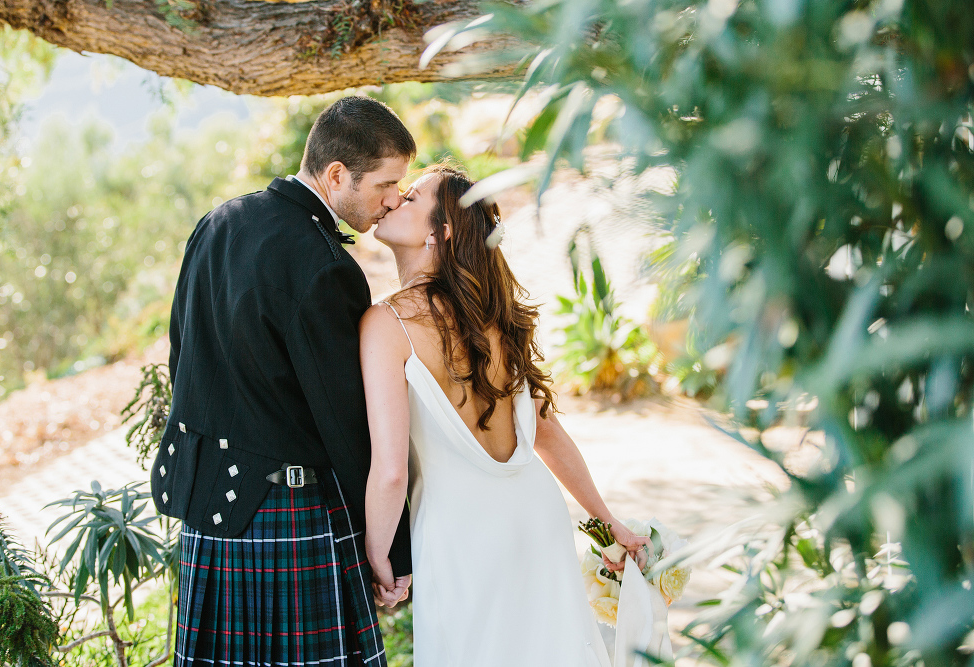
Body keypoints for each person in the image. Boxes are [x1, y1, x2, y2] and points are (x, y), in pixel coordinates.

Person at [151, 95, 414, 667]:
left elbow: (181, 355)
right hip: (287, 512)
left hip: (210, 511)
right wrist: (389, 550)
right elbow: (347, 426)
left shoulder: (217, 223)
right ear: (337, 174)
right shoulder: (325, 266)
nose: (394, 200)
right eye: (386, 184)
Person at [360, 163, 651, 666]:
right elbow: (546, 432)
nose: (392, 201)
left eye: (409, 198)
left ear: (440, 233)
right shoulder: (494, 316)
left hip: (459, 535)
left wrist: (378, 557)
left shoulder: (386, 323)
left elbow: (389, 473)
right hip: (535, 519)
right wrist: (608, 521)